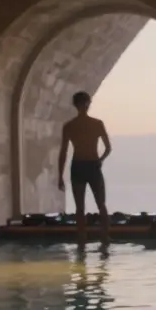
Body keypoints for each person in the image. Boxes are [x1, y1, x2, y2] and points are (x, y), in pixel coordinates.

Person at [57, 91, 112, 247]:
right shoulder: (96, 124)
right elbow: (108, 148)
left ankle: (82, 241)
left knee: (80, 207)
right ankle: (104, 239)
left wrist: (60, 176)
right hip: (91, 165)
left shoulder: (69, 126)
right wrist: (100, 160)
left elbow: (63, 152)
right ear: (88, 103)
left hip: (79, 166)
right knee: (100, 204)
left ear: (75, 105)